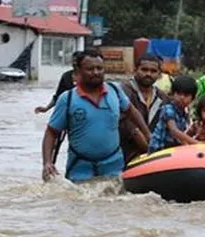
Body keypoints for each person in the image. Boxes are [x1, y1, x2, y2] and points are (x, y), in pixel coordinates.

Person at [41, 50, 151, 182]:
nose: (96, 72)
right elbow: (52, 132)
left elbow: (132, 112)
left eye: (99, 68)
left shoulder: (115, 91)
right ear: (78, 71)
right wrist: (47, 162)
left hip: (113, 164)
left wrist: (148, 135)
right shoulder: (68, 99)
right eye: (90, 69)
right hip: (80, 166)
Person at [119, 53, 170, 163]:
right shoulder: (123, 91)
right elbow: (125, 123)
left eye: (153, 71)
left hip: (154, 156)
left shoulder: (163, 97)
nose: (148, 74)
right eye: (144, 70)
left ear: (159, 74)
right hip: (125, 154)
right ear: (135, 69)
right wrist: (147, 149)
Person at [148, 76, 199, 153]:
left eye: (186, 95)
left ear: (193, 99)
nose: (181, 97)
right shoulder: (168, 109)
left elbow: (181, 137)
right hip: (159, 148)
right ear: (172, 94)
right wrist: (196, 143)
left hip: (171, 147)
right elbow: (174, 131)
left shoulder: (184, 113)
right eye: (178, 94)